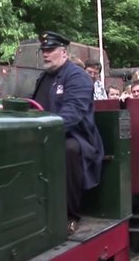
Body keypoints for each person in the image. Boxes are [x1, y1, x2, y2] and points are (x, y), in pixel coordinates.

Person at [31, 31, 104, 234]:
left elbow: (73, 113)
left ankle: (70, 214)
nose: (45, 54)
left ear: (63, 52)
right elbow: (34, 106)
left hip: (78, 138)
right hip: (45, 133)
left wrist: (44, 131)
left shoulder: (78, 77)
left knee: (67, 149)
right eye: (43, 50)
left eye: (50, 50)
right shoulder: (43, 78)